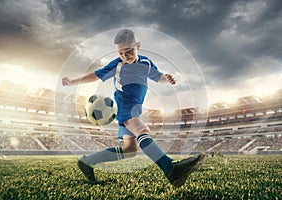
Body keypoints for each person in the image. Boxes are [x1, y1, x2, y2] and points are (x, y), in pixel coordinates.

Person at [62, 29, 205, 187]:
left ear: (138, 45)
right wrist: (72, 82)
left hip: (135, 109)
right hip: (124, 108)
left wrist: (168, 78)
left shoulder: (146, 62)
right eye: (120, 52)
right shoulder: (117, 64)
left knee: (130, 150)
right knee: (142, 131)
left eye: (128, 51)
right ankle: (171, 169)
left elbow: (158, 77)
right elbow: (96, 75)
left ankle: (87, 161)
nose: (124, 56)